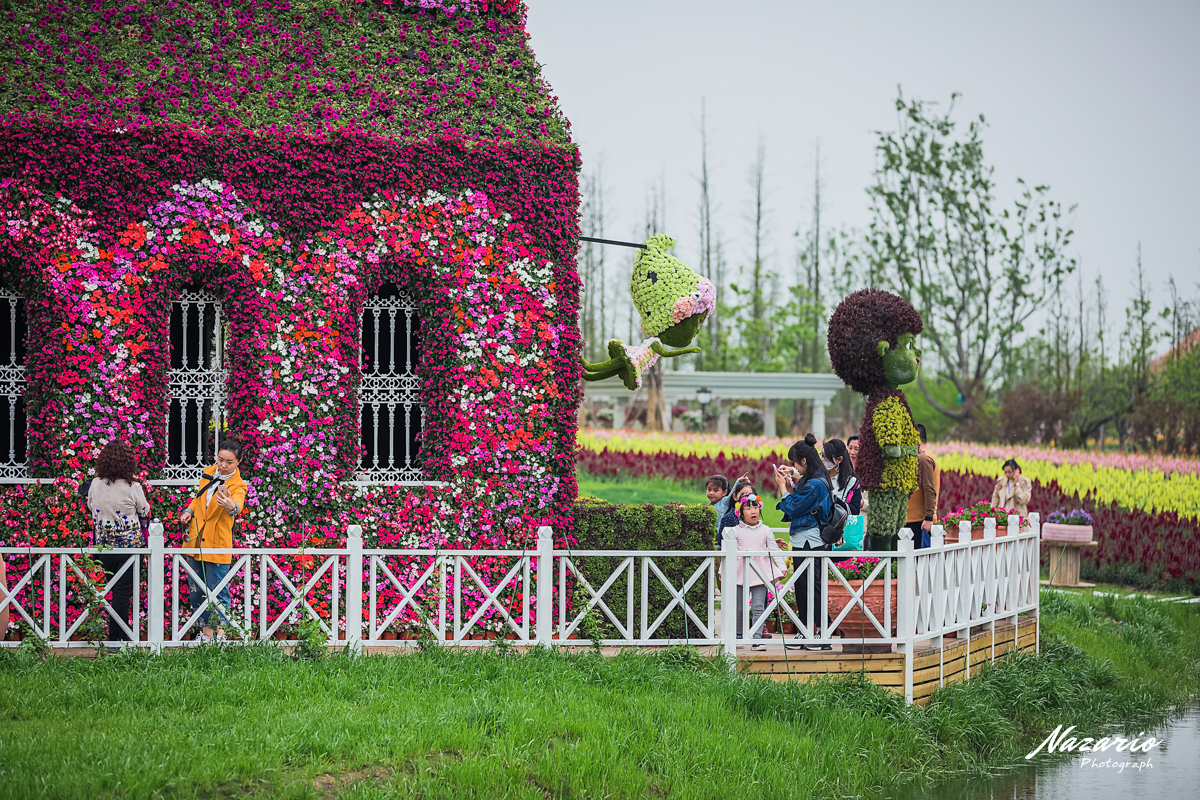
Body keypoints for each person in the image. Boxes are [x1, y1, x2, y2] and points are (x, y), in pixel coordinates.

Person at [80, 441, 151, 643]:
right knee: (122, 594)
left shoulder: (95, 484)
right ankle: (117, 639)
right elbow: (144, 511)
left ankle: (113, 637)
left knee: (108, 591)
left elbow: (90, 506)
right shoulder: (133, 486)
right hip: (129, 549)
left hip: (103, 546)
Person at [179, 439, 248, 643]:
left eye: (229, 462)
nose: (223, 465)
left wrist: (230, 505)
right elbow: (199, 497)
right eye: (220, 460)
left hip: (217, 543)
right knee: (196, 590)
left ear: (239, 462)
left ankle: (220, 636)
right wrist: (189, 510)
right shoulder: (208, 472)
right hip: (197, 540)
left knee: (217, 590)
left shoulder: (238, 484)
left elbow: (238, 505)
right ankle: (206, 635)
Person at [774, 435, 833, 651]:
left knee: (813, 587)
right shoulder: (811, 479)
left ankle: (820, 634)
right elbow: (798, 501)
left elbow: (795, 507)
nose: (793, 466)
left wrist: (783, 489)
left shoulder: (816, 484)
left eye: (795, 463)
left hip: (812, 541)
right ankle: (805, 629)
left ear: (805, 462)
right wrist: (790, 481)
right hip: (803, 540)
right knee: (802, 586)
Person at [725, 493, 785, 652]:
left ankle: (757, 639)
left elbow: (774, 549)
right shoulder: (735, 531)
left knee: (758, 606)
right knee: (739, 607)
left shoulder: (766, 530)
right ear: (740, 512)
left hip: (760, 573)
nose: (753, 511)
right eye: (748, 508)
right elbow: (727, 553)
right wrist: (721, 570)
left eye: (756, 507)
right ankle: (738, 634)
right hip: (740, 572)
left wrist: (782, 566)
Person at [823, 439, 864, 551]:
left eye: (826, 458)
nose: (823, 460)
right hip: (818, 538)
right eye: (822, 456)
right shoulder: (818, 479)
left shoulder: (851, 482)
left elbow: (854, 510)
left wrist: (834, 498)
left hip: (840, 538)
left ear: (839, 459)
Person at [905, 424, 940, 548]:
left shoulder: (924, 459)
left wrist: (929, 518)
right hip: (914, 520)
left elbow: (930, 490)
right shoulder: (919, 458)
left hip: (919, 522)